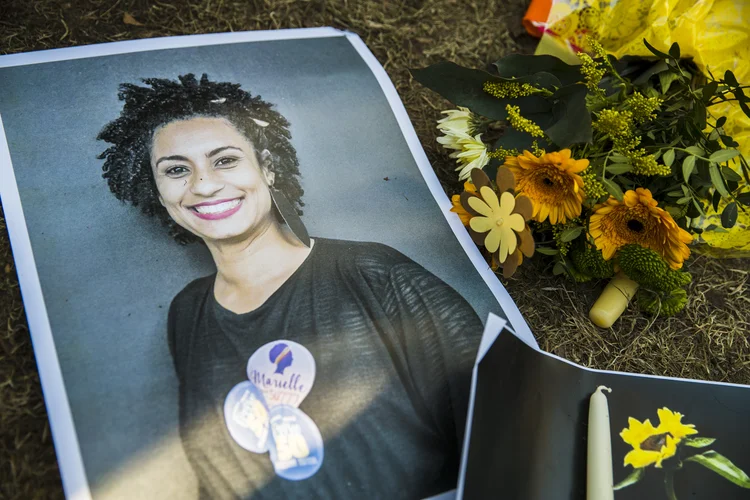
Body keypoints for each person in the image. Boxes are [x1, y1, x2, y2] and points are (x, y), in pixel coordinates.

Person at [98, 74, 484, 500]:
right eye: (175, 170)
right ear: (155, 190)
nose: (204, 184)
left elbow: (502, 426)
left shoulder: (374, 273)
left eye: (225, 160)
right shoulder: (187, 313)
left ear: (267, 166)